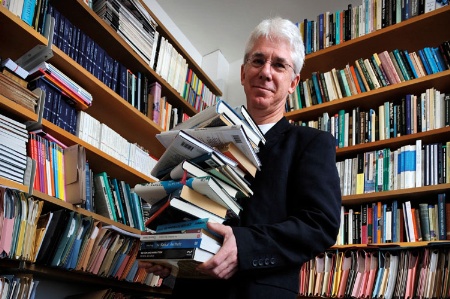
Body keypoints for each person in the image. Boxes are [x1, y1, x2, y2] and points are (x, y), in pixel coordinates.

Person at [140, 17, 342, 299]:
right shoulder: (203, 136)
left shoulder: (311, 144)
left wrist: (246, 246)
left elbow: (320, 224)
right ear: (243, 72)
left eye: (279, 65)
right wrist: (168, 247)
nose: (266, 72)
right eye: (258, 61)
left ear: (293, 82)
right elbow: (187, 206)